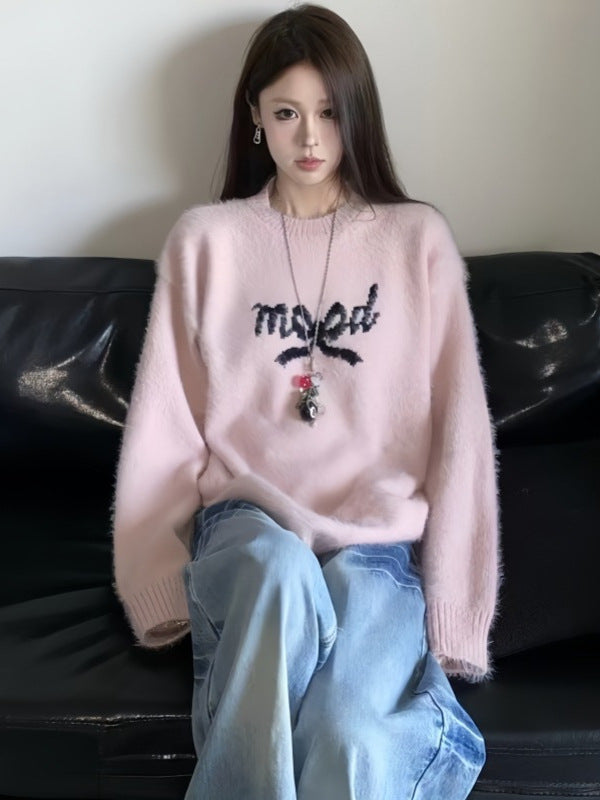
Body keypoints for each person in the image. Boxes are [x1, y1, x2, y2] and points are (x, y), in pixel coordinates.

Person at [111, 4, 501, 798]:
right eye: (287, 113)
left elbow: (460, 433)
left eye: (329, 112)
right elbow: (164, 427)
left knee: (352, 737)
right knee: (277, 566)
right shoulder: (207, 242)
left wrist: (457, 611)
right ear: (255, 117)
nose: (311, 138)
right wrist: (155, 582)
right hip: (246, 532)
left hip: (375, 546)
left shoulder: (415, 241)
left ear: (358, 114)